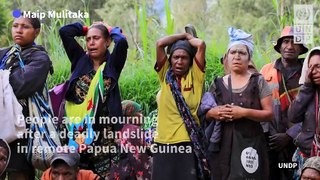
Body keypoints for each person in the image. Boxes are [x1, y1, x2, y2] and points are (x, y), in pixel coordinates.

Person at [59, 21, 128, 178]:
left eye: (96, 38)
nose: (91, 43)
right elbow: (65, 32)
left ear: (108, 41)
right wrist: (85, 29)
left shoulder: (113, 64)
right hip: (75, 129)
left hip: (104, 133)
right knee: (75, 172)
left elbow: (122, 41)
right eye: (88, 39)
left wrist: (112, 29)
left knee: (103, 174)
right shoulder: (79, 59)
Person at [203, 27, 273, 180]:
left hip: (250, 143)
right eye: (233, 52)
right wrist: (214, 113)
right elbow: (205, 113)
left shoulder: (258, 81)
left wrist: (243, 112)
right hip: (222, 145)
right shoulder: (218, 84)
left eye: (242, 53)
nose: (237, 56)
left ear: (249, 59)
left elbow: (269, 114)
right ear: (226, 57)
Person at [0, 16, 52, 180]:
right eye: (15, 26)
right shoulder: (4, 54)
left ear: (36, 32)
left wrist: (3, 77)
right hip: (1, 124)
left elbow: (22, 85)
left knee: (19, 172)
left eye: (25, 27)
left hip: (23, 128)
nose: (19, 30)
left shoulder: (40, 58)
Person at [152, 26, 207, 180]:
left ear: (190, 61)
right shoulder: (165, 76)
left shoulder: (195, 77)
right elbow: (159, 44)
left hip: (186, 141)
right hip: (163, 141)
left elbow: (201, 45)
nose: (179, 61)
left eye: (184, 58)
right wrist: (183, 35)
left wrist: (190, 39)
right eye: (175, 57)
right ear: (170, 59)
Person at [260, 26, 308, 179]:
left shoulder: (309, 73)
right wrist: (271, 134)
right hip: (271, 140)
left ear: (301, 48)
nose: (289, 46)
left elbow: (314, 109)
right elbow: (258, 104)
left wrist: (289, 135)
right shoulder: (266, 71)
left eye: (295, 42)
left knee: (296, 173)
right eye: (286, 41)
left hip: (300, 141)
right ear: (279, 46)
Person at [288, 47, 320, 179]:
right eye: (310, 67)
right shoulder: (308, 90)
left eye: (318, 66)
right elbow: (293, 116)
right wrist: (307, 86)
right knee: (282, 166)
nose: (313, 71)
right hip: (304, 156)